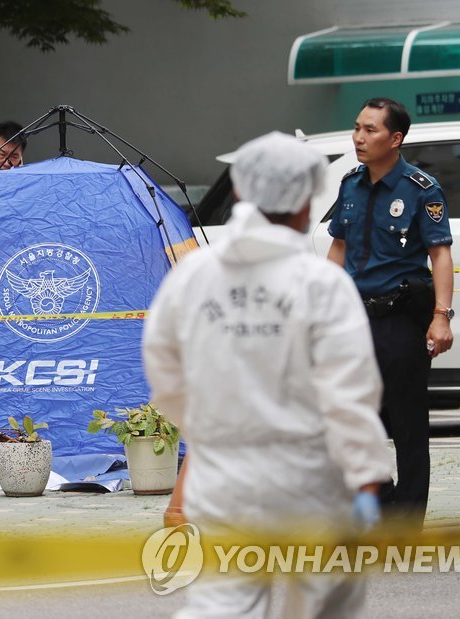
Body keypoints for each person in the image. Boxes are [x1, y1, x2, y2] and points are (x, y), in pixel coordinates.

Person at [143, 132, 395, 618]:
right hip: (311, 480)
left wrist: (208, 430)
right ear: (307, 201)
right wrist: (367, 477)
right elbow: (351, 393)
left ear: (240, 190)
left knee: (223, 604)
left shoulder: (192, 277)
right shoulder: (323, 284)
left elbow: (164, 372)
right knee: (323, 604)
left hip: (223, 478)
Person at [328, 98, 454, 526]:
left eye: (370, 130)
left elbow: (440, 254)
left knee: (407, 423)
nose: (359, 137)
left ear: (395, 138)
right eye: (357, 128)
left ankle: (406, 524)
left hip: (400, 317)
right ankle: (382, 505)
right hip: (353, 320)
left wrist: (441, 315)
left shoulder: (421, 189)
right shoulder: (350, 184)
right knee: (352, 420)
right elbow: (339, 247)